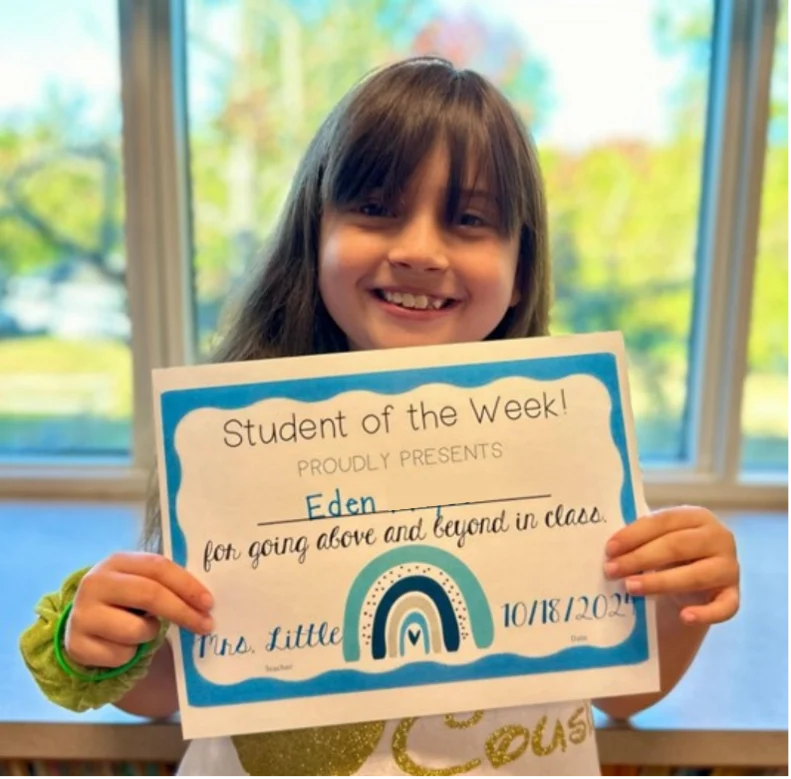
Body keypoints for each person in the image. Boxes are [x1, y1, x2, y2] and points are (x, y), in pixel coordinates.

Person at [20, 56, 740, 779]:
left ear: (521, 261)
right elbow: (175, 687)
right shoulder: (233, 441)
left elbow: (623, 687)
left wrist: (684, 592)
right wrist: (108, 635)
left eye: (469, 219)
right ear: (314, 232)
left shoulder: (564, 439)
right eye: (374, 207)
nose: (419, 250)